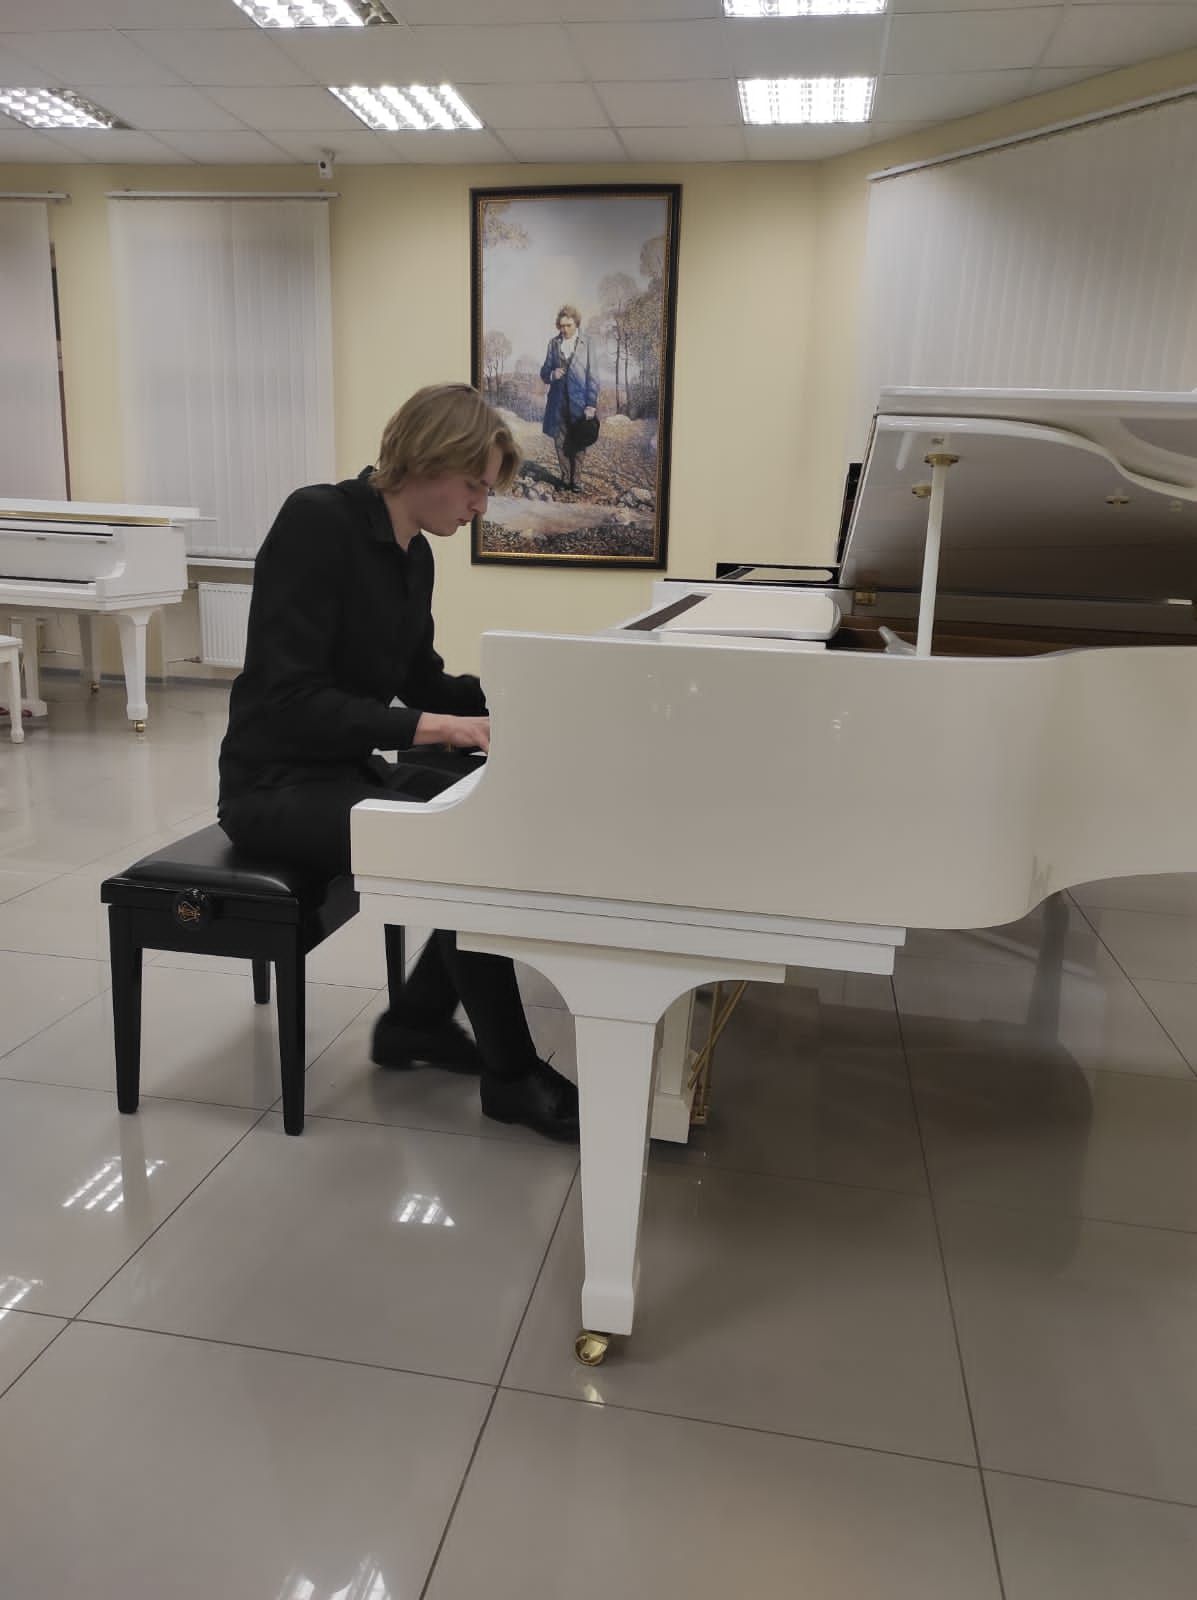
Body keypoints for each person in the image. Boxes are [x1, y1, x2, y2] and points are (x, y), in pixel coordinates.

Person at [217, 383, 579, 1142]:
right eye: (475, 484)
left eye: (488, 489)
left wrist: (524, 698)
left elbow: (422, 681)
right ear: (427, 459)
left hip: (343, 772)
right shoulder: (317, 521)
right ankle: (509, 1075)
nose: (481, 505)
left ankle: (416, 1020)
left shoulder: (415, 557)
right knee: (460, 840)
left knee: (485, 807)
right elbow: (290, 700)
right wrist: (439, 727)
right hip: (272, 786)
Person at [539, 303, 599, 493]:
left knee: (579, 441)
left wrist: (591, 404)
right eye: (562, 325)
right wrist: (552, 374)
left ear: (576, 324)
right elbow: (544, 371)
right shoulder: (553, 343)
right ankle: (566, 478)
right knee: (560, 441)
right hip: (557, 403)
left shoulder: (588, 343)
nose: (564, 329)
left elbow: (593, 376)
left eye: (568, 325)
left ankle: (577, 480)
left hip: (580, 404)